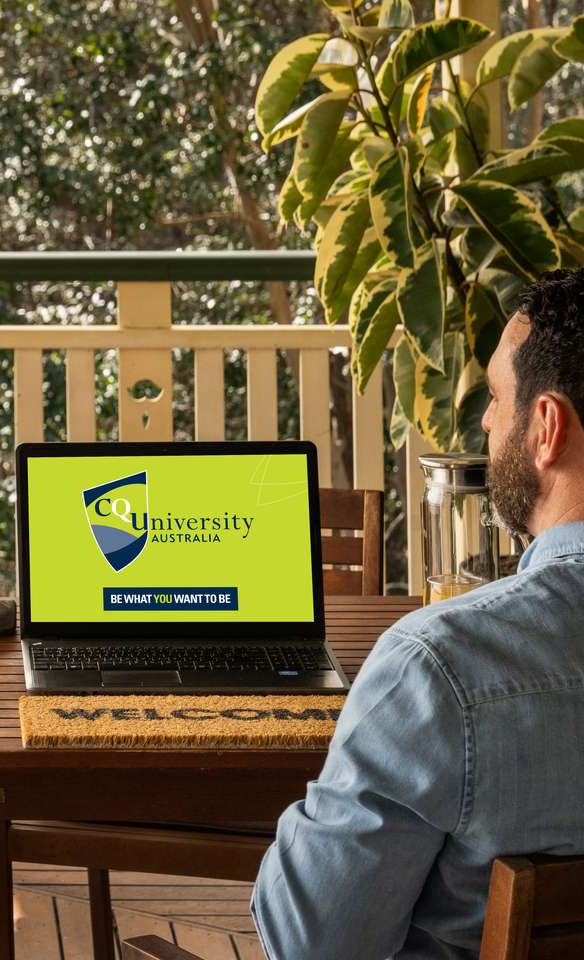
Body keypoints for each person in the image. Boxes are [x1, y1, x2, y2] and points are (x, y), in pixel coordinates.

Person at [250, 267, 584, 959]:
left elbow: (311, 945)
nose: (488, 420)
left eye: (495, 397)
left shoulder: (440, 669)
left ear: (546, 426)